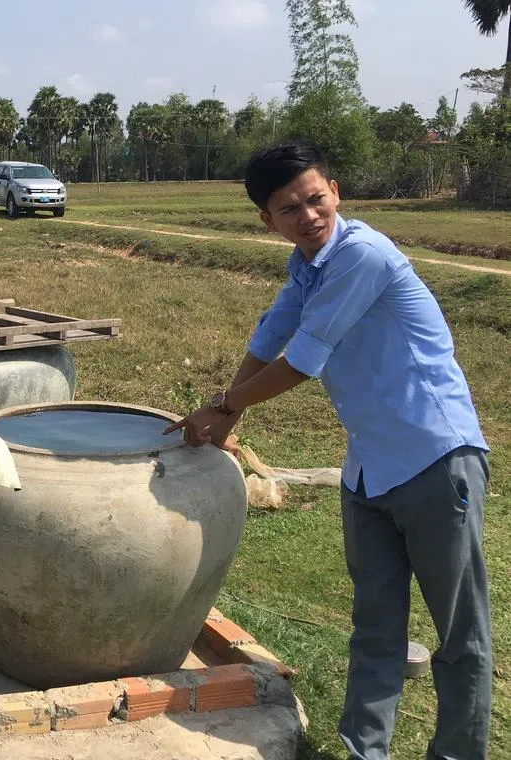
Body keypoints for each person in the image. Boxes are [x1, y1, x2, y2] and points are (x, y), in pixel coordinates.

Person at [164, 140, 491, 760]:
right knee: (375, 626)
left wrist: (225, 407)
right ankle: (365, 750)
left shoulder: (362, 254)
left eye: (316, 199)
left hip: (435, 459)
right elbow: (271, 334)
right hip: (368, 470)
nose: (309, 216)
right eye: (289, 209)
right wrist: (225, 410)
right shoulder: (306, 265)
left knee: (459, 633)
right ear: (268, 220)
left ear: (335, 192)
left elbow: (304, 359)